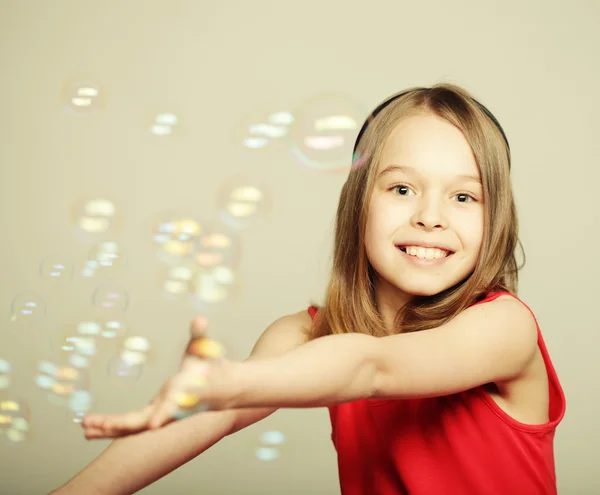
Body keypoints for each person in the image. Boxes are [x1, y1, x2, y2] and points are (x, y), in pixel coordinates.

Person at [51, 83, 566, 495]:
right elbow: (216, 412)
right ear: (358, 203)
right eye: (402, 188)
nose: (430, 217)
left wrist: (232, 383)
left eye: (463, 196)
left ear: (495, 217)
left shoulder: (504, 326)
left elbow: (374, 366)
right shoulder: (306, 333)